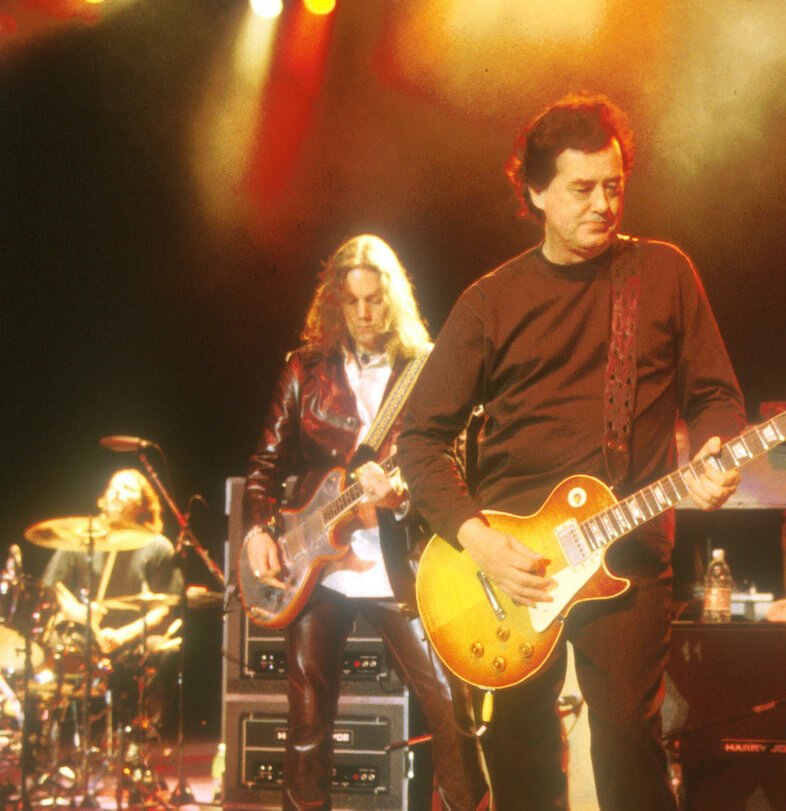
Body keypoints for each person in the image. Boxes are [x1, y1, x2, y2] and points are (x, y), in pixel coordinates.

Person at [395, 94, 746, 810]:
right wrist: (479, 541)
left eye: (614, 185)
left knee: (626, 741)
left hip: (629, 552)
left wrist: (715, 451)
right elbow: (419, 439)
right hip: (511, 569)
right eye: (583, 188)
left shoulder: (664, 274)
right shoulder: (491, 301)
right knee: (520, 754)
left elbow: (716, 394)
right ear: (535, 192)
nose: (604, 204)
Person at [241, 234, 487, 811]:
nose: (363, 314)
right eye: (350, 302)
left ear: (392, 298)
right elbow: (264, 465)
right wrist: (257, 530)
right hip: (317, 570)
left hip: (397, 563)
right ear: (334, 304)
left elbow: (448, 463)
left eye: (374, 300)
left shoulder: (425, 370)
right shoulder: (304, 370)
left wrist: (401, 497)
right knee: (307, 727)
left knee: (453, 707)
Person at [40, 468, 182, 727]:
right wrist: (80, 614)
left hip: (130, 638)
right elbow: (52, 588)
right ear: (103, 498)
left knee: (167, 650)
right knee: (42, 647)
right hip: (83, 633)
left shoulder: (158, 546)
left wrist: (122, 636)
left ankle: (141, 735)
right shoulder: (82, 537)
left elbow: (164, 608)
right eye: (113, 487)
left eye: (127, 488)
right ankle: (40, 734)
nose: (117, 493)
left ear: (142, 505)